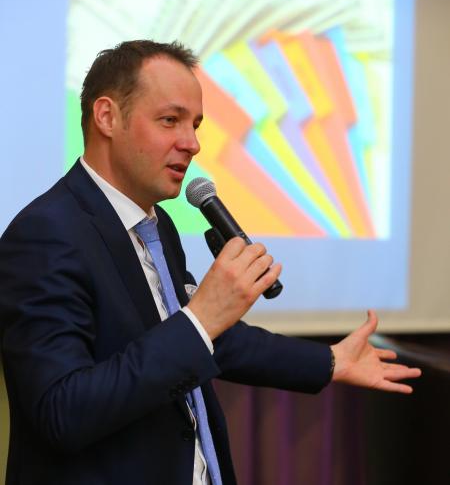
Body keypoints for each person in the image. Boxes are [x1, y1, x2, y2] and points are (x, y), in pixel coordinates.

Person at [0, 40, 421, 485]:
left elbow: (214, 340)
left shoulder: (157, 225)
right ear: (107, 117)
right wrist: (200, 318)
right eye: (170, 120)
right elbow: (62, 411)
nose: (193, 144)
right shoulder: (45, 234)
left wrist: (331, 360)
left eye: (196, 125)